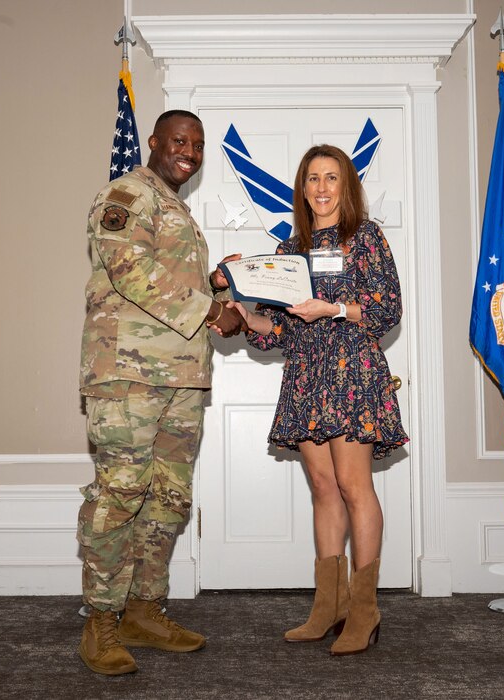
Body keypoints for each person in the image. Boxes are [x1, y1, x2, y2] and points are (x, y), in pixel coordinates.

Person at [77, 109, 244, 675]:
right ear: (153, 142)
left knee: (168, 500)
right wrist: (213, 308)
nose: (189, 152)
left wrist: (219, 280)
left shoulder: (176, 210)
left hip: (180, 379)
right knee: (120, 495)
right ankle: (100, 623)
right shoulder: (127, 193)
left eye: (197, 145)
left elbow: (170, 277)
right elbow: (131, 272)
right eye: (179, 141)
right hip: (128, 377)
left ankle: (144, 612)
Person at [226, 144, 408, 656]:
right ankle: (329, 606)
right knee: (324, 489)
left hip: (352, 373)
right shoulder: (287, 252)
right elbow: (277, 328)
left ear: (345, 187)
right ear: (301, 188)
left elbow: (388, 307)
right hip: (306, 374)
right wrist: (242, 313)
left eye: (332, 178)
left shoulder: (366, 237)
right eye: (312, 179)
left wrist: (333, 307)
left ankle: (365, 610)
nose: (322, 188)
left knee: (354, 486)